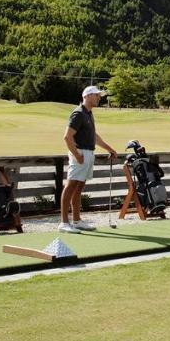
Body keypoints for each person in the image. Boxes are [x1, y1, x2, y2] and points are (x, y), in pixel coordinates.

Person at [60, 85, 117, 233]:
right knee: (70, 186)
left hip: (88, 153)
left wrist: (109, 149)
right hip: (79, 153)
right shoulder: (78, 113)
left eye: (99, 95)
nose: (99, 98)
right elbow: (67, 137)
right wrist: (77, 155)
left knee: (79, 188)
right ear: (87, 96)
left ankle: (77, 221)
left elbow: (94, 137)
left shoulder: (88, 113)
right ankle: (64, 223)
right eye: (96, 95)